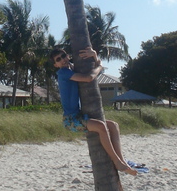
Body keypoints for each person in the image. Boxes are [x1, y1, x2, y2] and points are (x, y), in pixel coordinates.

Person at [51, 47, 138, 176]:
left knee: (113, 125)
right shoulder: (63, 73)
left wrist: (95, 55)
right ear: (55, 64)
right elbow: (89, 77)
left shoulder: (71, 68)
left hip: (79, 115)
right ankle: (117, 161)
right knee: (101, 127)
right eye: (58, 59)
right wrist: (100, 66)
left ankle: (121, 161)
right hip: (71, 120)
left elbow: (90, 68)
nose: (62, 60)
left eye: (63, 56)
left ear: (67, 55)